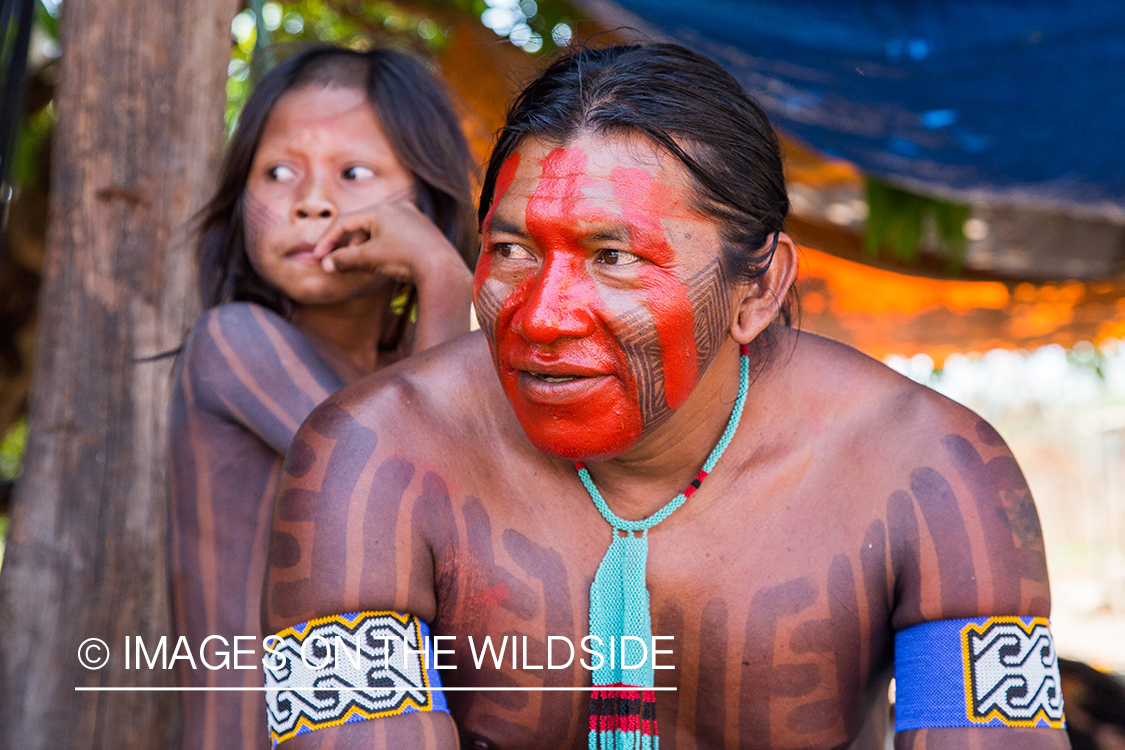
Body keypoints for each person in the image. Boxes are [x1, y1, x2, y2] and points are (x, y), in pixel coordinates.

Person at [261, 43, 1069, 749]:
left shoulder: (932, 475)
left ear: (758, 289)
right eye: (510, 248)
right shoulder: (371, 460)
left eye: (613, 256)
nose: (539, 317)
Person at [168, 45, 477, 750]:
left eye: (354, 172)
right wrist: (441, 273)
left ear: (425, 200)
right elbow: (433, 502)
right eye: (278, 172)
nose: (311, 200)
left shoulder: (413, 374)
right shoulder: (234, 345)